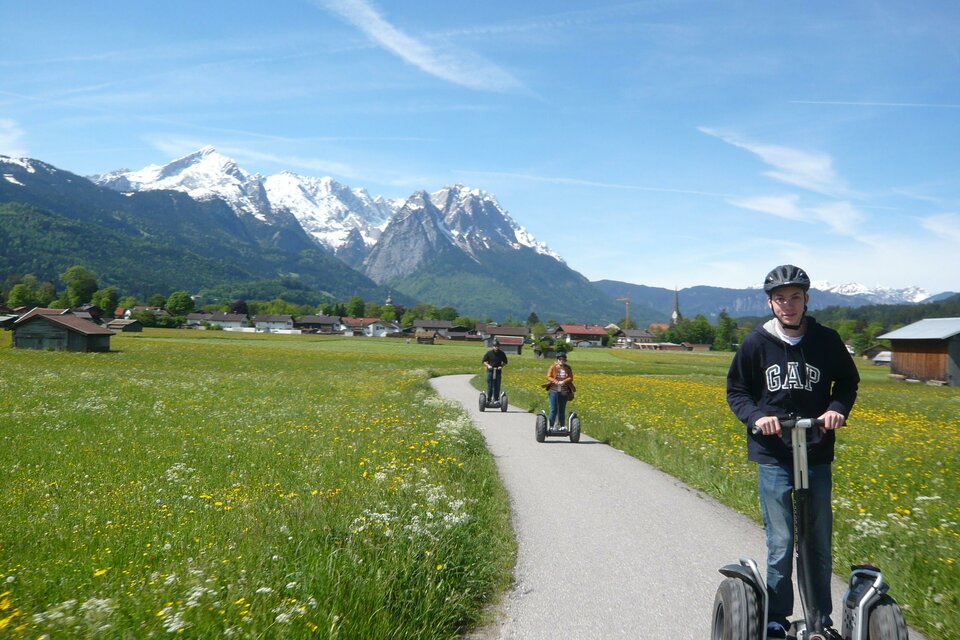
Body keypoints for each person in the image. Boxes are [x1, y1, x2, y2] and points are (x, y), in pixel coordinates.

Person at [726, 265, 860, 639]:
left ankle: (820, 621)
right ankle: (776, 618)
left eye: (795, 297)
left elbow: (848, 381)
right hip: (774, 455)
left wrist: (836, 409)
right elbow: (737, 390)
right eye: (781, 298)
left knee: (817, 538)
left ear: (806, 299)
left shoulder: (827, 340)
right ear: (770, 302)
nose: (788, 304)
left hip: (815, 450)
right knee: (782, 540)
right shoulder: (755, 343)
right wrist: (756, 418)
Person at [546, 351, 575, 427]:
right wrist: (556, 381)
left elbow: (571, 378)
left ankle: (562, 426)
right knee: (553, 410)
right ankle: (551, 426)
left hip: (564, 391)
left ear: (565, 360)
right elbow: (548, 376)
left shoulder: (568, 368)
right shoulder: (553, 367)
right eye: (560, 359)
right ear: (557, 360)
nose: (561, 361)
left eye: (563, 359)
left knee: (562, 410)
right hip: (553, 391)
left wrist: (564, 381)